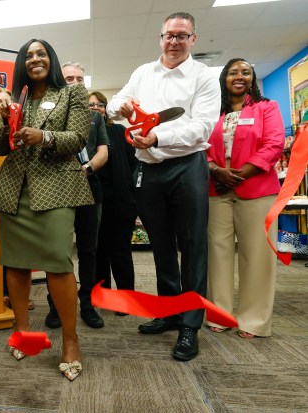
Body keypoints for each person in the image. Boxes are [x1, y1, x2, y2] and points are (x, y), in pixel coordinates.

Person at [107, 12, 220, 361]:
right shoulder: (143, 73)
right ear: (160, 38)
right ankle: (170, 311)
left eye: (181, 36)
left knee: (192, 246)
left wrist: (157, 136)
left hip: (187, 167)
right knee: (161, 246)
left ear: (193, 39)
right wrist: (121, 105)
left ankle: (190, 325)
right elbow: (112, 107)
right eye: (169, 35)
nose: (174, 41)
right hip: (149, 170)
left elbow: (202, 127)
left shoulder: (204, 77)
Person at [0, 39, 93, 381]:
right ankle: (24, 333)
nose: (35, 59)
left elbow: (77, 138)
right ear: (21, 63)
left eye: (41, 54)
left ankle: (71, 342)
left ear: (52, 60)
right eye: (28, 55)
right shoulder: (15, 98)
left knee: (58, 264)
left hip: (57, 190)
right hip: (14, 192)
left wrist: (43, 136)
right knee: (16, 264)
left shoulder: (71, 94)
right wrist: (5, 121)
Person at [206, 58, 284, 339]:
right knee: (217, 253)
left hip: (257, 189)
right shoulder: (212, 111)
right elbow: (200, 146)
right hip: (216, 190)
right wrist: (217, 171)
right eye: (233, 72)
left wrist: (240, 174)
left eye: (246, 72)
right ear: (224, 79)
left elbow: (274, 144)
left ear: (252, 78)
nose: (239, 76)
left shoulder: (267, 108)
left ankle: (253, 319)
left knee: (257, 255)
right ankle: (219, 313)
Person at [44, 62, 108, 330]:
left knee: (88, 250)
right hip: (57, 188)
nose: (76, 82)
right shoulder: (48, 112)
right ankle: (56, 305)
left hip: (88, 186)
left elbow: (103, 151)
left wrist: (86, 168)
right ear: (60, 80)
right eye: (70, 78)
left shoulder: (95, 117)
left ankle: (88, 305)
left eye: (80, 79)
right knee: (57, 251)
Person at [0, 88, 36, 311]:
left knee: (19, 248)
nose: (3, 104)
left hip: (19, 194)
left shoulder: (24, 128)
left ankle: (20, 296)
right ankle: (0, 293)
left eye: (7, 100)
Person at [90, 91, 138, 312]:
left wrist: (133, 193)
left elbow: (136, 164)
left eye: (99, 105)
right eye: (90, 105)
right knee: (98, 252)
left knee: (119, 251)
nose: (95, 108)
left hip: (120, 202)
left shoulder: (119, 131)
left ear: (106, 109)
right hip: (93, 202)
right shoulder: (83, 135)